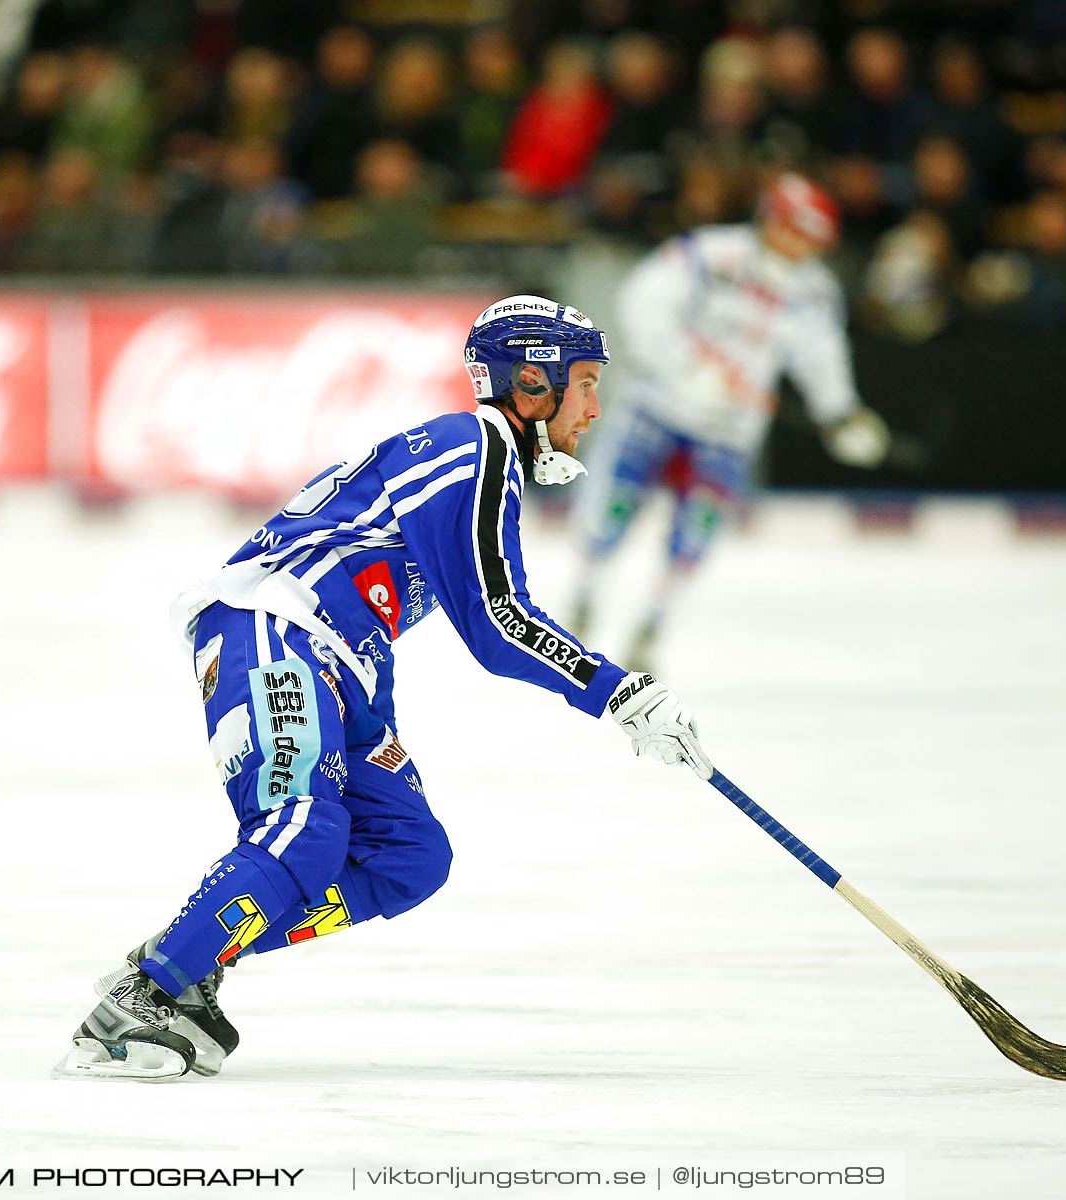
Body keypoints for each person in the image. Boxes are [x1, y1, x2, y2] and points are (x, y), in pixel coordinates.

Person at [54, 296, 713, 1081]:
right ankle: (140, 1001)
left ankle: (192, 951)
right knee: (302, 823)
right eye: (587, 383)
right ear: (533, 381)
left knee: (408, 856)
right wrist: (618, 691)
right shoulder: (472, 451)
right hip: (274, 630)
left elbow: (462, 609)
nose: (597, 408)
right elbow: (498, 626)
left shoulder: (482, 462)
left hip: (345, 662)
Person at [569, 174, 891, 670]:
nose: (799, 247)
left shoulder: (814, 290)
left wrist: (839, 411)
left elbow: (820, 355)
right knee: (610, 509)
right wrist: (684, 367)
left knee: (697, 532)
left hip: (729, 431)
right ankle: (585, 595)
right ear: (770, 220)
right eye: (793, 232)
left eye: (812, 240)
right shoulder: (709, 254)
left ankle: (653, 622)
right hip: (658, 408)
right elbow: (643, 302)